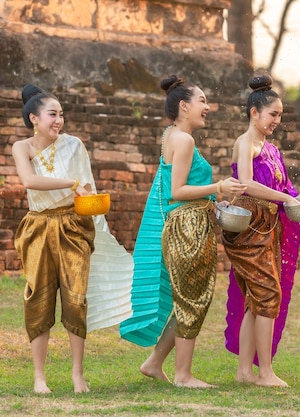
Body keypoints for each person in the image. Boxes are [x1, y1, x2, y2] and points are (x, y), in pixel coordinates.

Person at [119, 75, 246, 388]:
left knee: (187, 299)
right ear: (184, 106)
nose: (207, 107)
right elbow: (176, 190)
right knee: (192, 298)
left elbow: (178, 187)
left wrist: (213, 201)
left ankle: (154, 363)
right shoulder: (184, 140)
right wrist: (218, 185)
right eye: (202, 101)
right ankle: (183, 375)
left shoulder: (171, 135)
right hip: (186, 227)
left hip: (188, 221)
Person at [12, 84, 134, 394]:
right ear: (33, 118)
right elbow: (29, 181)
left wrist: (88, 195)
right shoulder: (22, 147)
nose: (58, 121)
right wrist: (72, 183)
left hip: (72, 226)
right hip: (38, 227)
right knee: (38, 298)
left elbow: (88, 190)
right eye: (52, 114)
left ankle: (77, 374)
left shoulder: (74, 145)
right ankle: (39, 377)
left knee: (76, 299)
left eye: (61, 115)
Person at [222, 75, 300, 387]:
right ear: (254, 113)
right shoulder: (245, 143)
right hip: (248, 228)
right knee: (268, 295)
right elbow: (245, 183)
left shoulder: (271, 149)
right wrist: (286, 198)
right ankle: (265, 372)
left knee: (255, 300)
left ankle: (245, 372)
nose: (277, 120)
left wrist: (298, 197)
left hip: (269, 227)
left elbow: (283, 187)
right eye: (273, 114)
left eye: (280, 115)